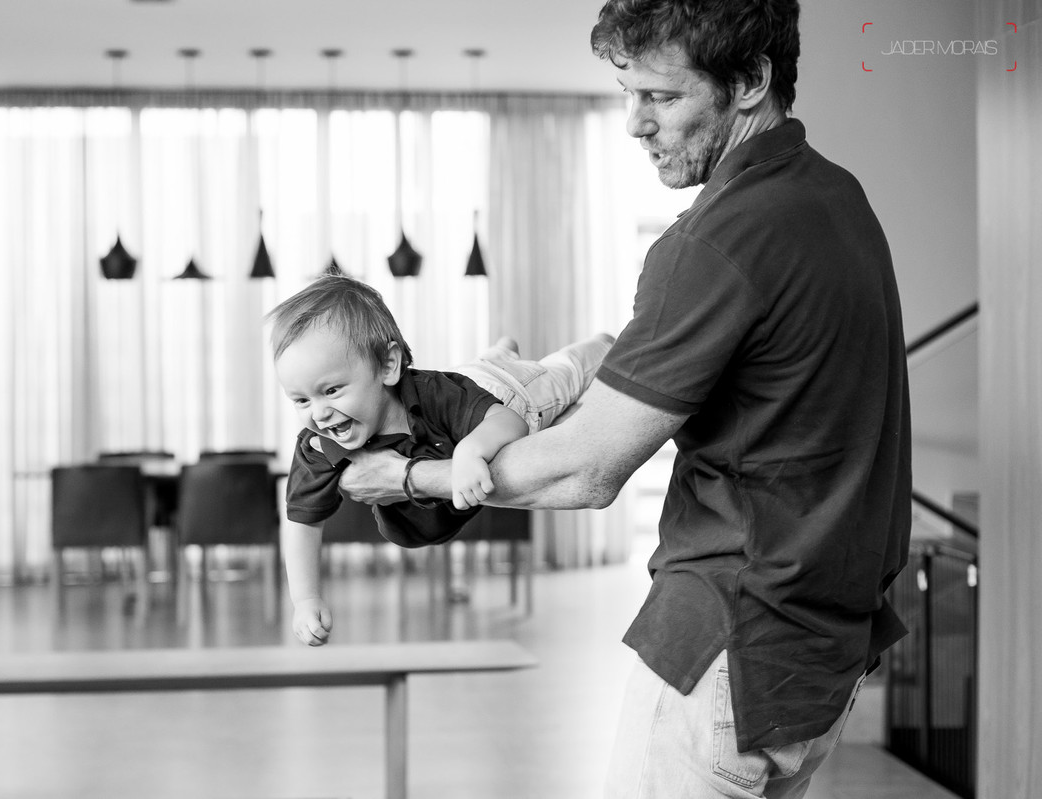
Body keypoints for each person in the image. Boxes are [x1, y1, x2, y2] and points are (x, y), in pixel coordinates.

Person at [325, 1, 913, 797]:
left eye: (662, 98)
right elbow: (754, 389)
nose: (636, 123)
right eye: (626, 92)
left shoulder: (712, 241)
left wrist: (403, 478)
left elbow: (586, 472)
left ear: (750, 81)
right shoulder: (838, 201)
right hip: (823, 653)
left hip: (728, 651)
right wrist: (558, 377)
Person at [267, 274, 613, 647]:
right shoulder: (319, 447)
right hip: (467, 389)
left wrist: (470, 450)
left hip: (509, 394)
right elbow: (302, 520)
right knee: (482, 371)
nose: (319, 414)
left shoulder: (435, 395)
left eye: (331, 391)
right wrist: (305, 599)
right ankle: (501, 351)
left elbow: (508, 422)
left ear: (388, 366)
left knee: (562, 375)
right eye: (301, 400)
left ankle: (598, 347)